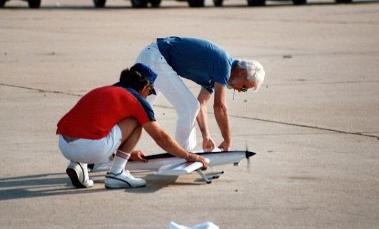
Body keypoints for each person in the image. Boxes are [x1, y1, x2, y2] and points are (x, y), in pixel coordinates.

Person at [56, 63, 208, 189]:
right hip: (90, 148)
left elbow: (94, 128)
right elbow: (161, 138)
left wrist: (124, 153)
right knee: (136, 120)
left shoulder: (104, 90)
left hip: (64, 145)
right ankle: (116, 173)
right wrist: (188, 156)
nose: (148, 96)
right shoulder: (137, 100)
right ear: (144, 88)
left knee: (93, 123)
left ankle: (79, 164)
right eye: (149, 91)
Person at [136, 36, 265, 152]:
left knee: (139, 111)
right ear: (242, 73)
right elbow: (219, 107)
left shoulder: (219, 73)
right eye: (243, 87)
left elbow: (202, 104)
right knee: (189, 107)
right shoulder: (224, 64)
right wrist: (227, 140)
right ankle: (183, 153)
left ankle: (118, 152)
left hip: (151, 56)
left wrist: (206, 136)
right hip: (156, 58)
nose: (239, 91)